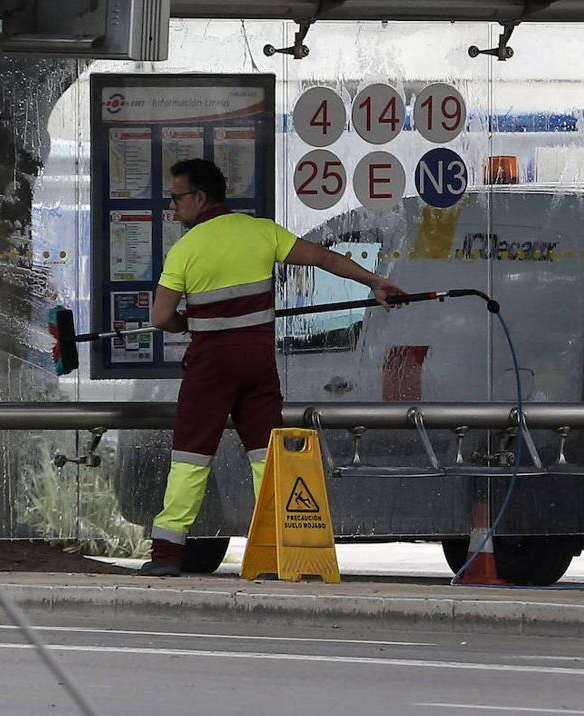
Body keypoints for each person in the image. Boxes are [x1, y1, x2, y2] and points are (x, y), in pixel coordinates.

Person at [140, 158, 403, 577]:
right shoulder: (261, 232)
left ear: (200, 197)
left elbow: (160, 317)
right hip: (259, 363)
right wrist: (374, 282)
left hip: (211, 365)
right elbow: (321, 258)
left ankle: (168, 555)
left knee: (192, 455)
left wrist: (190, 322)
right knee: (266, 455)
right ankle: (282, 550)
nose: (173, 208)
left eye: (176, 198)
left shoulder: (185, 249)